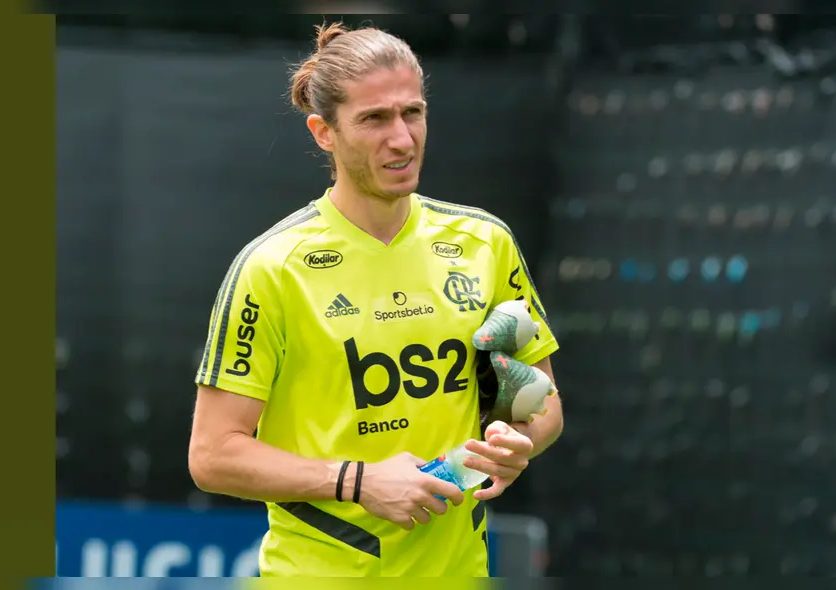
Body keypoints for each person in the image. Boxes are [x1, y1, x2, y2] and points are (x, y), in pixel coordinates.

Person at [187, 19, 564, 577]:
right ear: (323, 132)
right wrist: (357, 482)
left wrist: (518, 442)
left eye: (413, 112)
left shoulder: (485, 243)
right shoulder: (273, 268)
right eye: (374, 119)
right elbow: (213, 455)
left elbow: (544, 400)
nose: (402, 139)